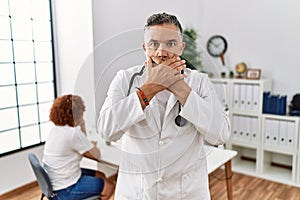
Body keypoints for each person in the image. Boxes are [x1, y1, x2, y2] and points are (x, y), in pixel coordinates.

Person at [98, 13, 231, 199]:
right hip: (137, 192)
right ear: (145, 48)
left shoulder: (200, 82)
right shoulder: (125, 79)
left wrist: (180, 88)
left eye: (170, 44)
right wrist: (149, 89)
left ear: (181, 47)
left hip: (186, 193)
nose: (162, 52)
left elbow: (221, 134)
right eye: (154, 44)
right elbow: (106, 130)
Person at [43, 94, 115, 200]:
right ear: (76, 114)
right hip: (65, 189)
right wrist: (82, 125)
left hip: (54, 183)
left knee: (101, 175)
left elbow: (83, 145)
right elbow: (96, 154)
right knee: (110, 186)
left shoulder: (55, 130)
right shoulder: (73, 133)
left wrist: (86, 139)